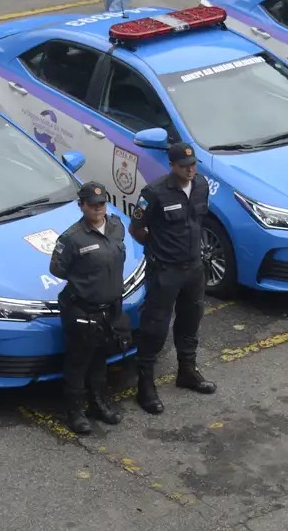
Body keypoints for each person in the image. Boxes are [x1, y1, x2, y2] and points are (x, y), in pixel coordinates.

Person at [128, 142, 215, 415]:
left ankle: (187, 371)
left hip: (193, 267)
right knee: (154, 327)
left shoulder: (200, 185)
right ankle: (145, 385)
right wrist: (158, 249)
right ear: (172, 166)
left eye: (193, 165)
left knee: (191, 320)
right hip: (165, 270)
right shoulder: (154, 193)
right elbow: (137, 228)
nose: (190, 170)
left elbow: (199, 221)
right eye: (184, 166)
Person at [50, 181, 128, 434]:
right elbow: (57, 268)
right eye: (93, 205)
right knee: (78, 362)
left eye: (102, 204)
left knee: (100, 360)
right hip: (82, 311)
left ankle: (98, 404)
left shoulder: (116, 226)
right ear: (81, 206)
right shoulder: (72, 238)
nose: (98, 209)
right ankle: (75, 412)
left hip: (110, 309)